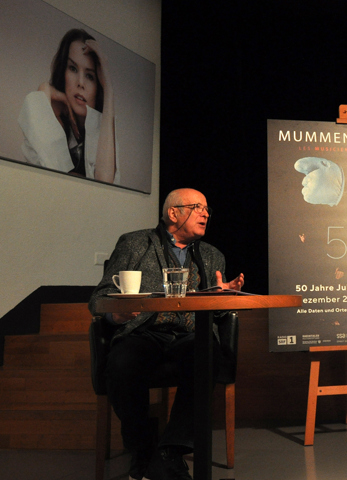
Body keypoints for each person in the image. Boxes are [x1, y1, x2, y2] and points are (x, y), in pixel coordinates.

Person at [89, 188, 245, 480]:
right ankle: (144, 450)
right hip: (144, 332)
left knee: (207, 354)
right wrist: (116, 314)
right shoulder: (136, 244)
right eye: (198, 207)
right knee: (122, 363)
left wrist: (226, 298)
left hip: (189, 335)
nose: (206, 213)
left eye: (207, 209)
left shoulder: (212, 256)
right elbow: (99, 298)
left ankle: (170, 450)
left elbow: (220, 315)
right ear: (174, 213)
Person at [17, 28, 118, 183]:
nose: (81, 83)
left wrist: (109, 90)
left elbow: (105, 182)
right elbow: (53, 174)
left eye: (90, 76)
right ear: (62, 71)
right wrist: (45, 88)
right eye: (73, 68)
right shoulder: (52, 117)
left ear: (99, 85)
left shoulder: (103, 132)